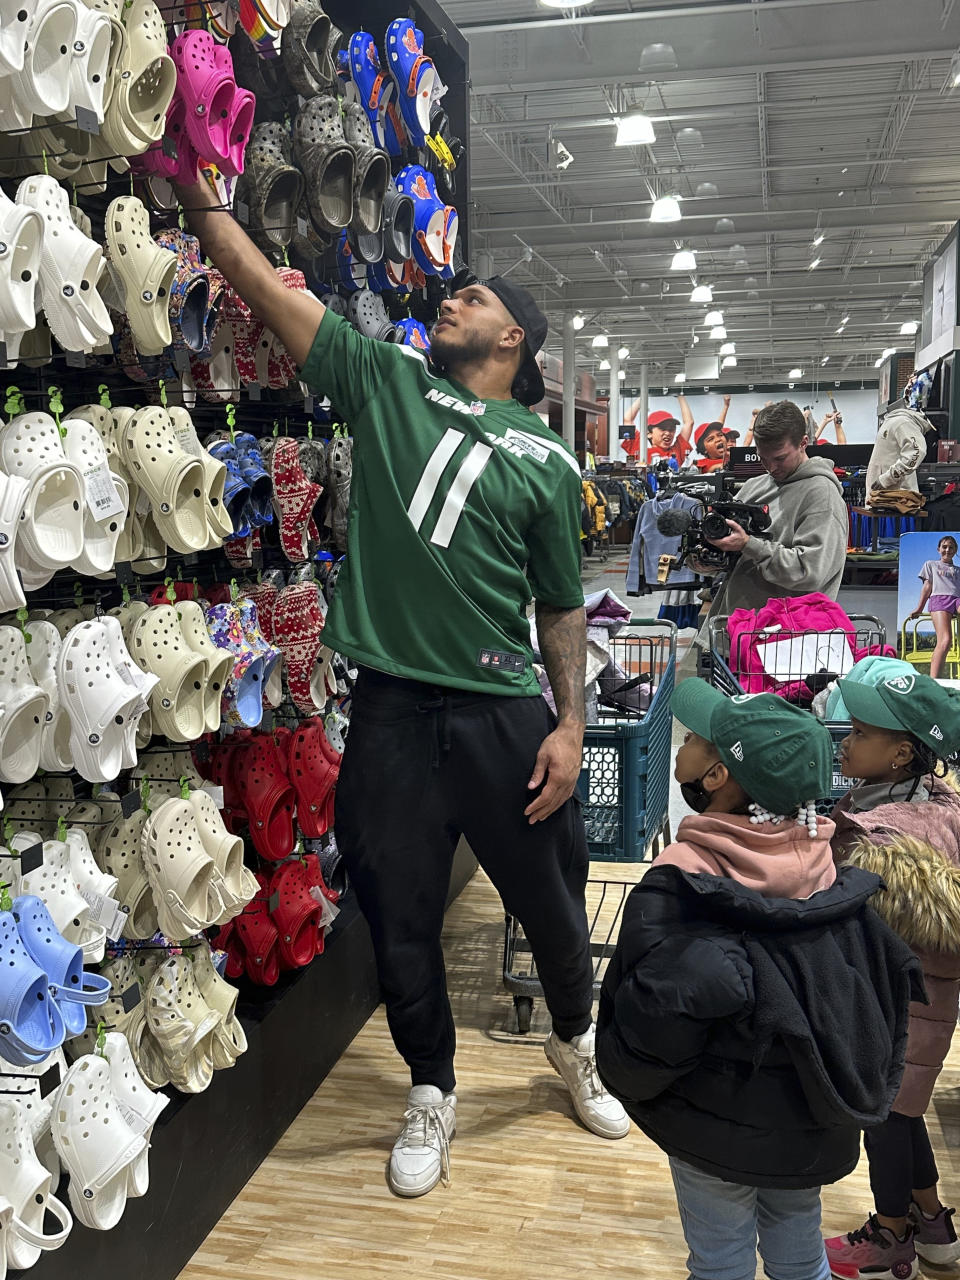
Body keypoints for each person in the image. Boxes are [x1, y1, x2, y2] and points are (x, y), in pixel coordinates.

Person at [177, 178, 629, 1199]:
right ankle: (432, 1084)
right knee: (401, 918)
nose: (451, 301)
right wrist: (200, 199)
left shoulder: (549, 460)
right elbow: (255, 284)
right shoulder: (385, 380)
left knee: (554, 907)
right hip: (386, 710)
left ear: (512, 337)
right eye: (453, 292)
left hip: (499, 710)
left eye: (472, 298)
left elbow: (560, 603)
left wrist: (569, 720)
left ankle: (574, 1040)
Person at [596, 681, 921, 1280]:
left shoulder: (680, 881)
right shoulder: (832, 874)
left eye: (692, 741)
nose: (680, 750)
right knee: (800, 1254)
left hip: (713, 1126)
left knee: (719, 1261)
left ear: (717, 776)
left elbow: (653, 1020)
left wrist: (627, 1080)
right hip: (811, 1123)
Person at [823, 670, 960, 1277]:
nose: (843, 744)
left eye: (857, 733)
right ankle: (933, 1225)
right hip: (922, 1005)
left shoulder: (887, 843)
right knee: (903, 1113)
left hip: (897, 1007)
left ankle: (891, 1235)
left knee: (882, 1117)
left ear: (901, 753)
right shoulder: (927, 803)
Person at [703, 399, 849, 619]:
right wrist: (705, 551)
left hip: (788, 639)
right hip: (736, 627)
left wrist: (749, 545)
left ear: (803, 442)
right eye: (763, 458)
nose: (771, 468)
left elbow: (809, 571)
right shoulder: (755, 486)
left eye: (780, 458)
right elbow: (724, 559)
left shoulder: (822, 495)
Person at [908, 536, 960, 678]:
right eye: (944, 546)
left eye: (951, 547)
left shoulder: (958, 570)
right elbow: (927, 587)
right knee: (945, 640)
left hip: (957, 600)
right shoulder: (931, 564)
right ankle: (934, 680)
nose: (947, 550)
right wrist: (919, 608)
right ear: (939, 549)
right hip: (940, 599)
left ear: (956, 550)